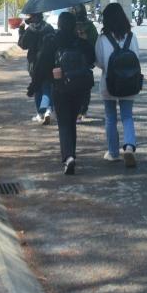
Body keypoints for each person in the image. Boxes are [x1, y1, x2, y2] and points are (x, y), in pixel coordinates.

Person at [33, 11, 95, 174]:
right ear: (74, 25)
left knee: (64, 123)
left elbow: (41, 64)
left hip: (59, 86)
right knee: (71, 121)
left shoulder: (52, 40)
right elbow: (91, 60)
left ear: (59, 25)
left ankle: (68, 156)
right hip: (79, 87)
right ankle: (70, 154)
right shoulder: (81, 42)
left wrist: (34, 85)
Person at [95, 2, 140, 168]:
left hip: (109, 83)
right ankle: (129, 146)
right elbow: (137, 57)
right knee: (127, 115)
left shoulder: (102, 39)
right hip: (129, 82)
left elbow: (99, 62)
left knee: (110, 117)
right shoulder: (131, 36)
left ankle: (113, 153)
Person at [18, 12, 55, 124]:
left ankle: (40, 113)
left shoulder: (30, 30)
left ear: (33, 17)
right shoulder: (49, 28)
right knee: (47, 86)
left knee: (37, 86)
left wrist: (21, 31)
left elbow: (23, 45)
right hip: (48, 62)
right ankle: (48, 109)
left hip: (34, 63)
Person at [71, 4, 98, 122]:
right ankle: (83, 111)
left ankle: (75, 110)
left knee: (73, 86)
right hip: (86, 60)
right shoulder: (91, 26)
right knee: (86, 87)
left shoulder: (70, 25)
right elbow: (95, 42)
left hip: (71, 61)